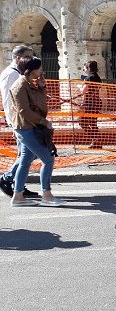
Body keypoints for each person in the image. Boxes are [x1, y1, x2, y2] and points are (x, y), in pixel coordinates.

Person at [9, 56, 65, 206]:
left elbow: (40, 103)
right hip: (26, 128)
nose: (41, 70)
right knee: (48, 159)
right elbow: (23, 110)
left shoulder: (29, 84)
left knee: (25, 162)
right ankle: (47, 194)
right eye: (39, 68)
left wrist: (41, 87)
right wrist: (44, 121)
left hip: (30, 127)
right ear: (30, 70)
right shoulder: (20, 86)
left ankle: (18, 196)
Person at [0, 45, 40, 198]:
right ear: (18, 58)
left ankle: (18, 184)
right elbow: (10, 100)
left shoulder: (17, 74)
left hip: (22, 120)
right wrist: (14, 123)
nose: (31, 60)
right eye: (28, 57)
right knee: (28, 154)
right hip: (20, 122)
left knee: (27, 154)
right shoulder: (12, 75)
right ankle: (8, 178)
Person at [79, 60, 102, 148]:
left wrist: (80, 86)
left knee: (82, 122)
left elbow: (84, 91)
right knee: (93, 123)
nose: (84, 70)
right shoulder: (97, 77)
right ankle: (97, 141)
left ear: (88, 68)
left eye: (85, 68)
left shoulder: (89, 78)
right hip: (96, 102)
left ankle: (95, 139)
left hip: (90, 103)